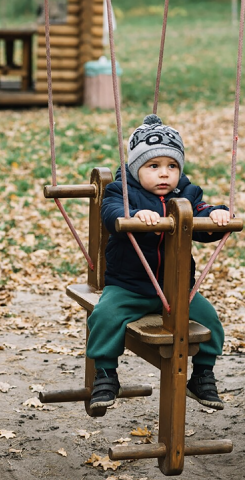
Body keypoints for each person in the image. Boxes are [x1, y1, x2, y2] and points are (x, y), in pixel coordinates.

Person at [87, 114, 230, 411]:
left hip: (177, 291)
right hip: (129, 287)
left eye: (172, 166)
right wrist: (134, 216)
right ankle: (105, 374)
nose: (164, 174)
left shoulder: (187, 195)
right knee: (103, 316)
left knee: (212, 322)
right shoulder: (123, 192)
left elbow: (202, 217)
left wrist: (217, 215)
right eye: (154, 166)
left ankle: (202, 376)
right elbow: (111, 213)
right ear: (137, 168)